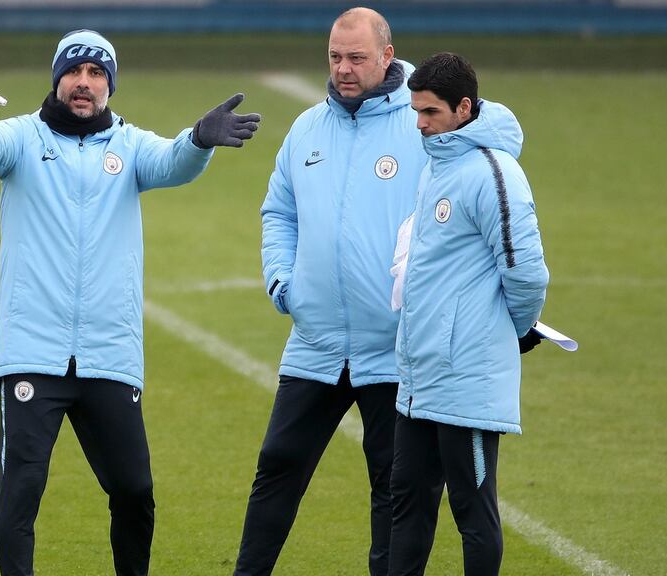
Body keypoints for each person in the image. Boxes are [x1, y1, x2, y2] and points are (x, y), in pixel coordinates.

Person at [0, 29, 261, 576]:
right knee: (20, 493)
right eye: (76, 72)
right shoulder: (22, 138)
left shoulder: (129, 145)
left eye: (98, 75)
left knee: (134, 490)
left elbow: (172, 163)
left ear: (110, 87)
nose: (85, 83)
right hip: (33, 352)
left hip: (108, 354)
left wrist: (199, 141)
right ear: (58, 79)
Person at [233, 8, 427, 575]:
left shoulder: (421, 124)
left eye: (357, 58)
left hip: (392, 346)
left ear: (387, 56)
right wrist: (281, 281)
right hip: (315, 340)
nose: (344, 69)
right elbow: (279, 211)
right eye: (336, 57)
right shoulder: (306, 129)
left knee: (392, 483)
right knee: (277, 467)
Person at [388, 52, 549, 576]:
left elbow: (526, 273)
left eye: (430, 112)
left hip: (467, 378)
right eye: (415, 111)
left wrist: (517, 328)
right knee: (407, 505)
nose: (420, 124)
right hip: (419, 376)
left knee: (472, 513)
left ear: (464, 108)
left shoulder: (495, 172)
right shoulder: (440, 164)